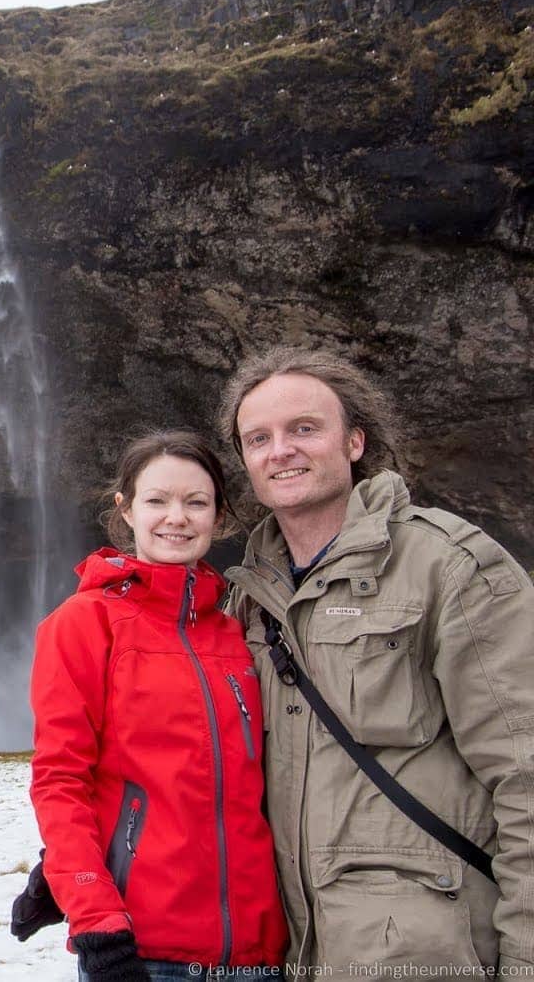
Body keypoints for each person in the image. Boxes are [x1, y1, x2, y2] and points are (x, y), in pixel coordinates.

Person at [218, 346, 534, 975]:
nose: (280, 450)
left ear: (355, 442)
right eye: (259, 438)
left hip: (426, 953)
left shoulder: (449, 566)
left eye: (304, 429)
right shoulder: (246, 598)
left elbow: (525, 772)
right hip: (286, 953)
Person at [30, 431, 288, 981]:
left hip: (263, 953)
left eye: (196, 502)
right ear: (124, 510)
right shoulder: (84, 623)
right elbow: (60, 779)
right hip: (144, 953)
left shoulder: (239, 633)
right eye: (157, 500)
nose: (177, 517)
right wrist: (92, 913)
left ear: (219, 518)